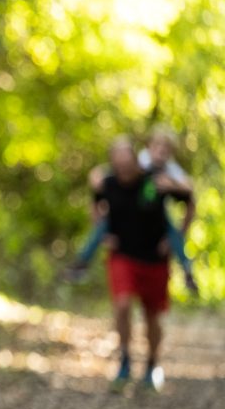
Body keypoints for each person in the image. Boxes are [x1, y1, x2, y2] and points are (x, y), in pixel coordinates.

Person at [93, 136, 192, 390]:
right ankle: (125, 360)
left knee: (152, 317)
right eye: (119, 163)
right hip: (123, 255)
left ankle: (152, 365)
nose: (124, 168)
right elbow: (95, 200)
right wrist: (102, 234)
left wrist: (177, 237)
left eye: (127, 162)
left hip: (155, 258)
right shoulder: (109, 182)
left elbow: (190, 197)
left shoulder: (155, 179)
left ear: (136, 161)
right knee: (122, 304)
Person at [66, 125, 197, 292]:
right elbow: (112, 170)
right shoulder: (141, 160)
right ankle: (81, 263)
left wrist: (172, 185)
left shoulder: (170, 169)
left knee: (173, 232)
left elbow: (189, 188)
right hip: (128, 215)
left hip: (156, 215)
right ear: (149, 146)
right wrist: (96, 176)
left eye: (166, 148)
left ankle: (187, 269)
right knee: (102, 227)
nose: (161, 151)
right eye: (157, 146)